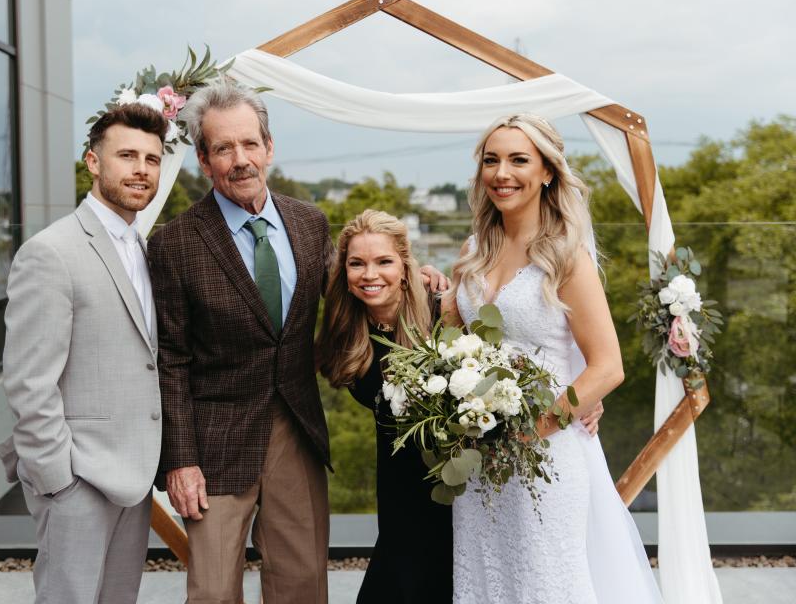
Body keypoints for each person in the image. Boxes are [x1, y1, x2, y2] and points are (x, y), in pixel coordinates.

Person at [149, 81, 448, 604]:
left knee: (302, 585)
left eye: (249, 144)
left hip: (298, 429)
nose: (240, 160)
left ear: (269, 147)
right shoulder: (175, 244)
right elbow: (170, 359)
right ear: (202, 158)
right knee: (213, 591)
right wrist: (180, 460)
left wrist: (419, 279)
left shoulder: (309, 223)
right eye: (223, 148)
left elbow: (357, 289)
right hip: (214, 443)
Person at [441, 113, 663, 603]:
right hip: (480, 455)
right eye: (491, 160)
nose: (502, 173)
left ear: (547, 172)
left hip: (547, 452)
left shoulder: (566, 256)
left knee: (547, 581)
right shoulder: (474, 249)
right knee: (485, 576)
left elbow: (607, 365)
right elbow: (450, 343)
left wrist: (532, 428)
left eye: (519, 160)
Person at [0, 103, 167, 603]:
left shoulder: (141, 247)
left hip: (132, 477)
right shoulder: (51, 252)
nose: (140, 169)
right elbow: (29, 381)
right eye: (127, 155)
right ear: (93, 161)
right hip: (77, 479)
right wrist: (57, 480)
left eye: (152, 160)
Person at [316, 209, 453, 604]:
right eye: (356, 263)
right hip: (397, 488)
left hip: (454, 487)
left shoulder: (444, 312)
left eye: (384, 262)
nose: (370, 274)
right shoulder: (347, 328)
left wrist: (582, 400)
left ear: (406, 267)